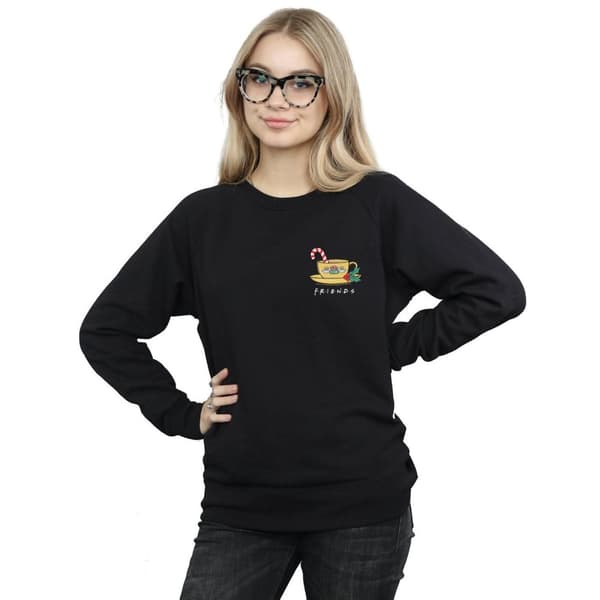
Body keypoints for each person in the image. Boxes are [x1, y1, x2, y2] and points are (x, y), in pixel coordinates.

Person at [78, 8, 527, 600]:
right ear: (239, 90)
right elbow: (106, 330)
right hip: (242, 504)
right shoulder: (203, 220)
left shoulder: (376, 203)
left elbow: (496, 291)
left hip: (362, 505)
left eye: (301, 82)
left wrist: (391, 345)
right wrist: (181, 414)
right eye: (259, 78)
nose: (277, 99)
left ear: (332, 94)